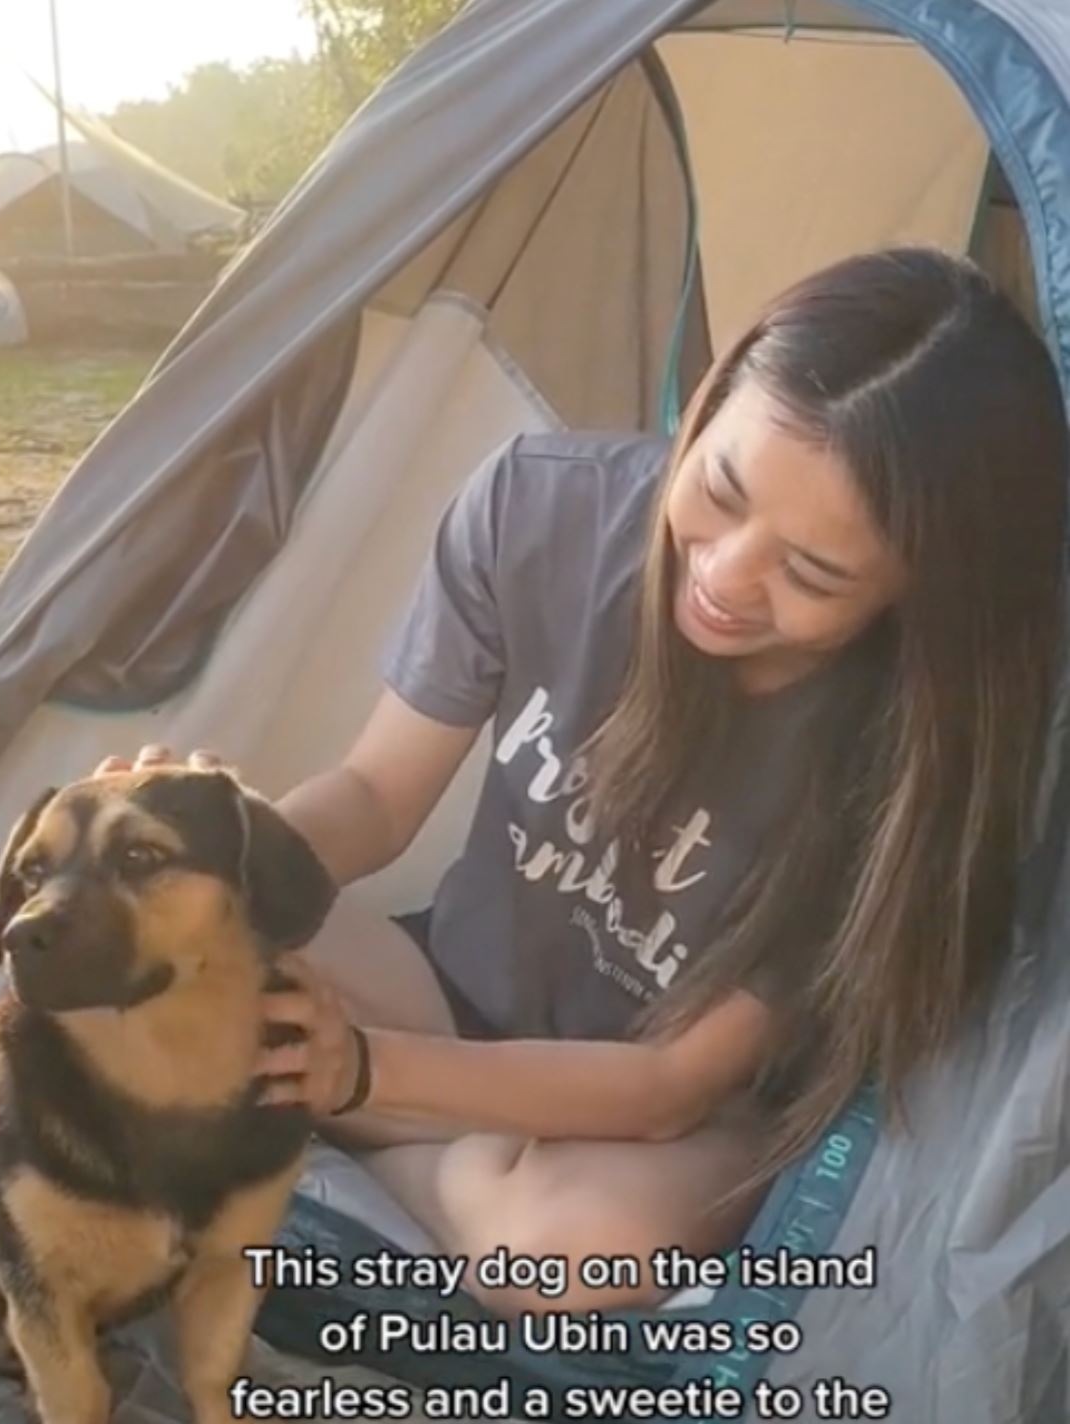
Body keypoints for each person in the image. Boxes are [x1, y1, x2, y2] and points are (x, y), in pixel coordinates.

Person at [127, 246, 1065, 1317]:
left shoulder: (907, 758)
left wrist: (354, 1078)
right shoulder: (540, 508)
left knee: (579, 1245)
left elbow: (671, 1089)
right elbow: (376, 797)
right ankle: (450, 1165)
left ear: (917, 595)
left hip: (651, 1126)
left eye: (810, 575)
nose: (721, 578)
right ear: (707, 402)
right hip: (446, 1003)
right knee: (142, 921)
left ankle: (383, 1151)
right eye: (717, 489)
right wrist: (216, 848)